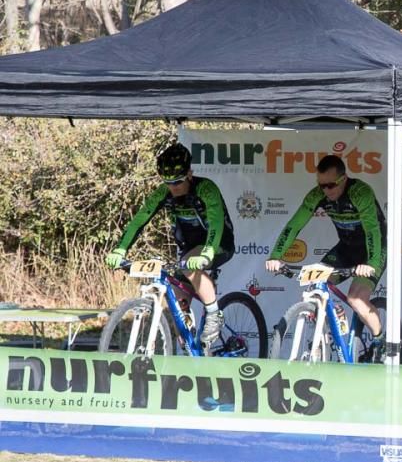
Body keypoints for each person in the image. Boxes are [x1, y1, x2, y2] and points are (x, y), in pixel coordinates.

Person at [105, 143, 235, 350]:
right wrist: (121, 249)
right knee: (177, 312)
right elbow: (139, 221)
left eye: (178, 181)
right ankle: (195, 351)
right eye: (168, 182)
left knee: (187, 265)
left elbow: (216, 222)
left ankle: (214, 314)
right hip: (189, 250)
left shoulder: (206, 188)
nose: (173, 187)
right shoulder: (162, 193)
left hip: (219, 243)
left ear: (190, 174)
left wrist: (208, 253)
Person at [265, 154, 387, 356]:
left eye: (331, 185)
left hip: (374, 248)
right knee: (316, 286)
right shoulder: (317, 195)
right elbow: (295, 225)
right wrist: (275, 256)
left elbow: (372, 230)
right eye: (321, 185)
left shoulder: (360, 193)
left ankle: (380, 340)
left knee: (356, 299)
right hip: (347, 248)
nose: (326, 190)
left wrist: (372, 263)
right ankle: (330, 331)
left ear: (344, 179)